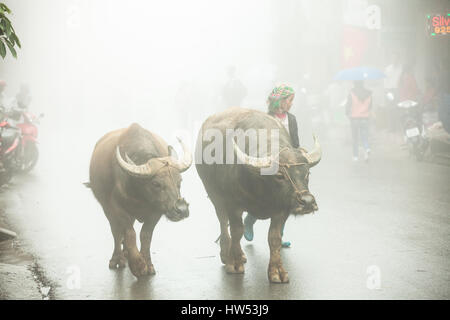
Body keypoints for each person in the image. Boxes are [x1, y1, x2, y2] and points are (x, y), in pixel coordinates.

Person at [243, 85, 299, 248]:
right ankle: (250, 220)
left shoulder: (292, 119)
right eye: (290, 100)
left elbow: (295, 142)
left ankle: (278, 236)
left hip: (287, 164)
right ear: (280, 101)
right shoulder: (265, 118)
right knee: (263, 196)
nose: (291, 104)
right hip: (269, 161)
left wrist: (297, 158)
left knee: (286, 200)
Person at [346, 80, 372, 161]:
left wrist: (347, 113)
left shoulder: (351, 93)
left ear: (354, 84)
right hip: (365, 118)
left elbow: (348, 105)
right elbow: (370, 106)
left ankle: (355, 156)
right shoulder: (369, 94)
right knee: (364, 136)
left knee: (355, 138)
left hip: (354, 118)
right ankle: (367, 148)